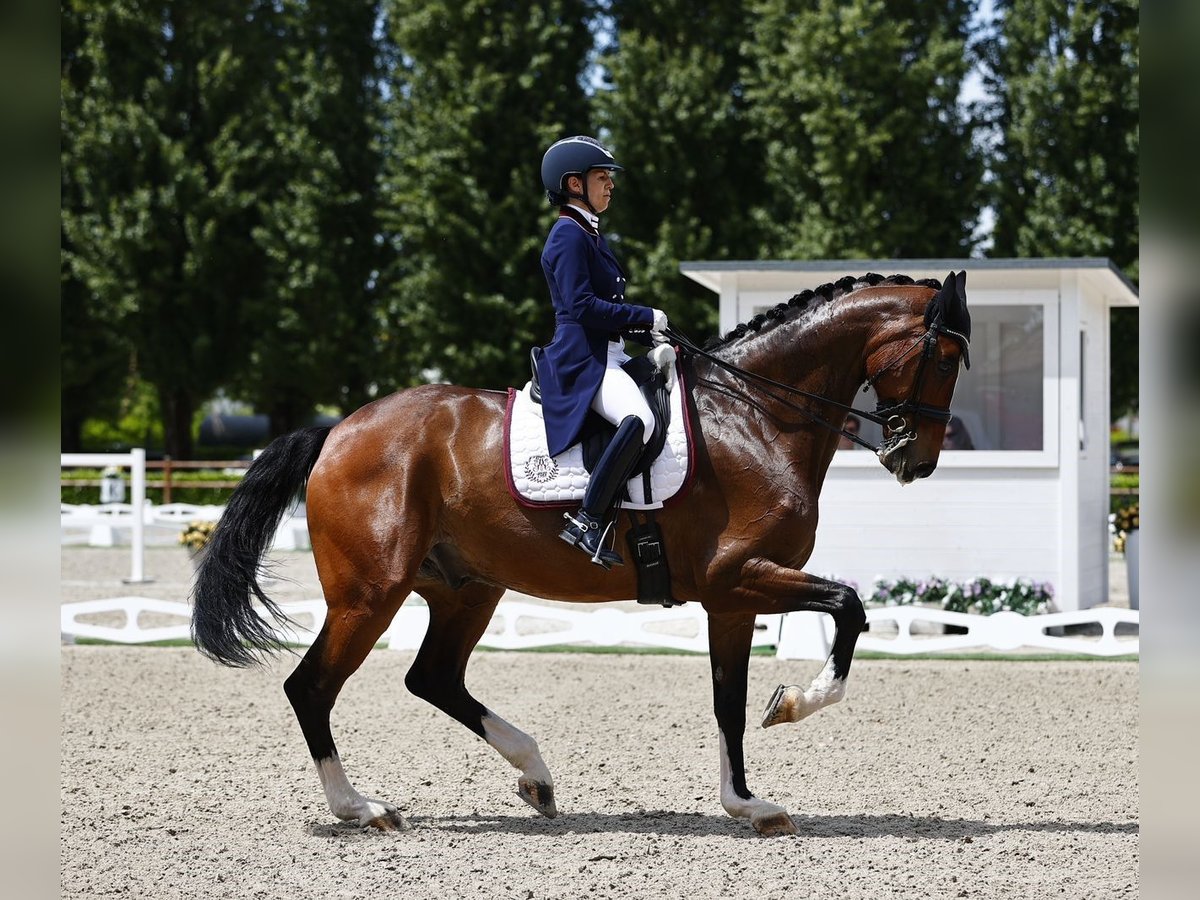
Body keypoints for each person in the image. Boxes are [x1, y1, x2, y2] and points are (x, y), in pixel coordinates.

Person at [536, 135, 673, 568]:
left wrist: (648, 331)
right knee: (640, 419)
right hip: (583, 360)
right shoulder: (567, 235)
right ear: (575, 184)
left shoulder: (590, 235)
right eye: (602, 177)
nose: (610, 185)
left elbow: (608, 312)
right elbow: (580, 307)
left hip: (607, 353)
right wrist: (647, 315)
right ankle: (587, 520)